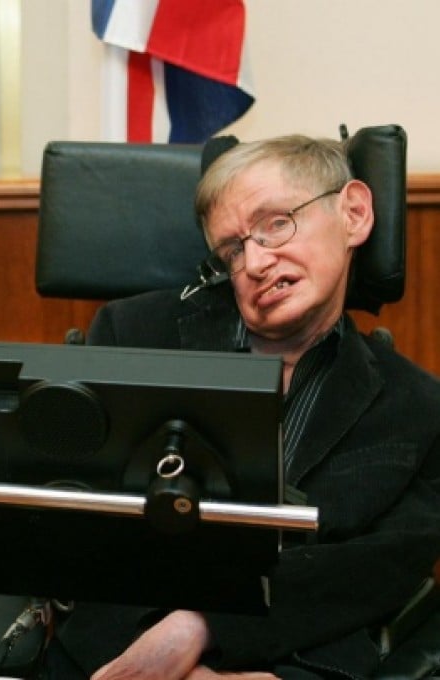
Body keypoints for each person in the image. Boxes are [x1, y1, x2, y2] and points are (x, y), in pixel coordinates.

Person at [41, 135, 440, 679]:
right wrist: (171, 656)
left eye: (276, 223)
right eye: (231, 249)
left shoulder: (416, 405)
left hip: (299, 660)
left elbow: (377, 572)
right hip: (125, 648)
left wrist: (204, 627)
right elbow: (86, 531)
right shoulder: (132, 336)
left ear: (353, 212)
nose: (253, 262)